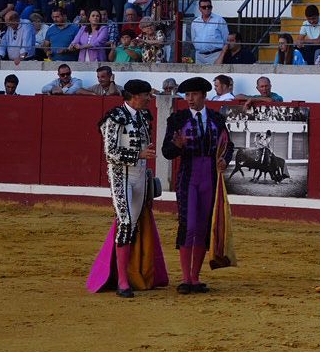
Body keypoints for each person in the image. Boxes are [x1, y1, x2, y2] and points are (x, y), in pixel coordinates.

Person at [85, 80, 167, 298]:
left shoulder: (143, 116)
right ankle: (122, 281)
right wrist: (139, 155)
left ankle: (130, 274)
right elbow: (110, 153)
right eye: (146, 95)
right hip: (121, 175)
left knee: (134, 223)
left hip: (140, 175)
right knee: (125, 222)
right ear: (134, 96)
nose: (149, 98)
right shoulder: (114, 117)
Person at [160, 77, 236, 295]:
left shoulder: (216, 118)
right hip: (188, 175)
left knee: (202, 227)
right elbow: (167, 152)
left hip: (210, 176)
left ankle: (195, 277)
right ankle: (185, 278)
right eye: (186, 95)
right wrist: (176, 145)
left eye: (193, 95)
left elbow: (228, 145)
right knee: (189, 225)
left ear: (204, 96)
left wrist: (224, 160)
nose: (189, 99)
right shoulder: (177, 119)